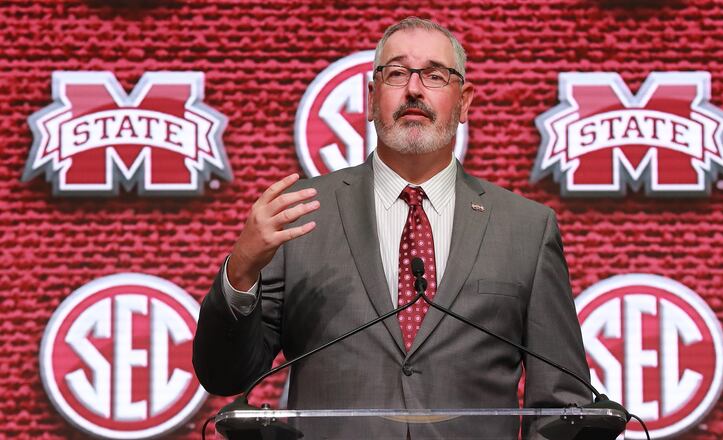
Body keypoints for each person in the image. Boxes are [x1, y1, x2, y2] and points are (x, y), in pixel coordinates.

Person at [193, 17, 591, 439]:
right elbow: (224, 375)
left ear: (464, 102)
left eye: (435, 75)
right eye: (397, 73)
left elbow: (562, 407)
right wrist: (241, 271)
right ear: (370, 99)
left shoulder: (526, 229)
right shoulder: (302, 215)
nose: (414, 89)